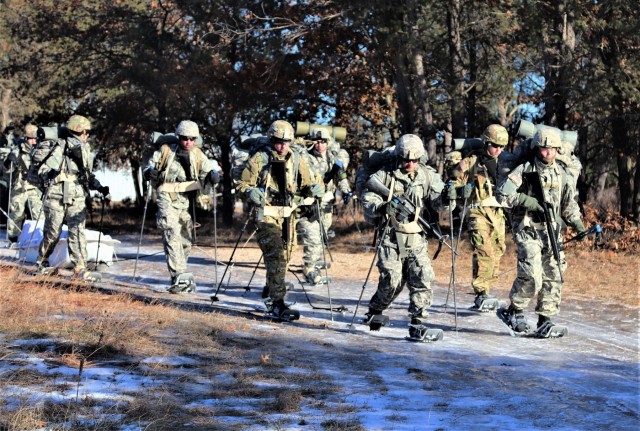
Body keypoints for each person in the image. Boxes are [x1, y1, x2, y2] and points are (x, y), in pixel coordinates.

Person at [496, 127, 586, 336]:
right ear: (537, 148)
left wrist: (578, 224)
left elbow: (568, 204)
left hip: (552, 230)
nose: (547, 154)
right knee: (532, 274)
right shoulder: (525, 170)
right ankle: (514, 310)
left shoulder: (562, 173)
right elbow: (503, 196)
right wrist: (528, 201)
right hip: (528, 229)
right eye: (544, 149)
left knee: (554, 274)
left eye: (552, 149)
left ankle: (546, 319)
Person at [361, 134, 446, 338]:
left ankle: (418, 322)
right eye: (406, 159)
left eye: (414, 160)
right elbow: (368, 199)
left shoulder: (426, 175)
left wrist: (451, 197)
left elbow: (438, 203)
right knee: (393, 280)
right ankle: (375, 310)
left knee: (422, 276)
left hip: (415, 234)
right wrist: (383, 206)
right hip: (390, 234)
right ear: (399, 156)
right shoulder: (385, 175)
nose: (410, 164)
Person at [236, 120, 323, 319]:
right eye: (278, 141)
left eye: (286, 142)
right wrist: (250, 192)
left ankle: (271, 287)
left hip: (288, 214)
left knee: (288, 253)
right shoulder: (259, 158)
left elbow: (307, 184)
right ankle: (278, 303)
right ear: (271, 139)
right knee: (276, 254)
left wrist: (314, 189)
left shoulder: (297, 158)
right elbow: (241, 184)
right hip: (266, 213)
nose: (282, 146)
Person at [143, 120, 221, 293]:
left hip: (185, 200)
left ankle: (178, 274)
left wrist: (213, 176)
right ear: (179, 137)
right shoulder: (165, 151)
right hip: (166, 196)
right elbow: (149, 166)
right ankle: (180, 274)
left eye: (192, 138)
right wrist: (149, 172)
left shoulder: (199, 155)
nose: (188, 142)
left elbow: (209, 170)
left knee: (186, 238)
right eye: (185, 138)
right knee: (171, 231)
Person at [35, 115, 110, 279]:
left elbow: (86, 174)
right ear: (80, 131)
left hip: (77, 196)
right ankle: (42, 261)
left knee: (77, 232)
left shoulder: (85, 149)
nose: (88, 135)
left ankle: (80, 268)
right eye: (87, 131)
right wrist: (51, 172)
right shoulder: (57, 146)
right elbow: (41, 169)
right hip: (56, 194)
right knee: (52, 232)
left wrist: (99, 187)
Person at [448, 124, 510, 310]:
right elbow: (452, 182)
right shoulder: (472, 161)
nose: (498, 149)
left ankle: (486, 291)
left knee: (498, 250)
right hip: (477, 210)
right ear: (485, 143)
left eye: (501, 146)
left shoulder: (505, 162)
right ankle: (481, 292)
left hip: (497, 212)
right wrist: (461, 191)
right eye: (494, 145)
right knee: (483, 250)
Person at [297, 128, 352, 284]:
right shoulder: (306, 158)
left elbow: (340, 176)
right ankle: (309, 269)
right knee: (312, 236)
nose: (320, 145)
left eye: (323, 142)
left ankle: (315, 263)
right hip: (310, 204)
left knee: (322, 234)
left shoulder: (333, 157)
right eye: (317, 142)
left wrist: (346, 190)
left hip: (327, 203)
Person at [3, 124, 43, 243]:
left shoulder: (40, 150)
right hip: (19, 187)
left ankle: (39, 239)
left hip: (34, 188)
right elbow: (7, 171)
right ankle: (13, 240)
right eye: (32, 139)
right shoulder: (17, 150)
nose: (34, 141)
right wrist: (9, 160)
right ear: (26, 139)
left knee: (39, 215)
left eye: (36, 139)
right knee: (16, 215)